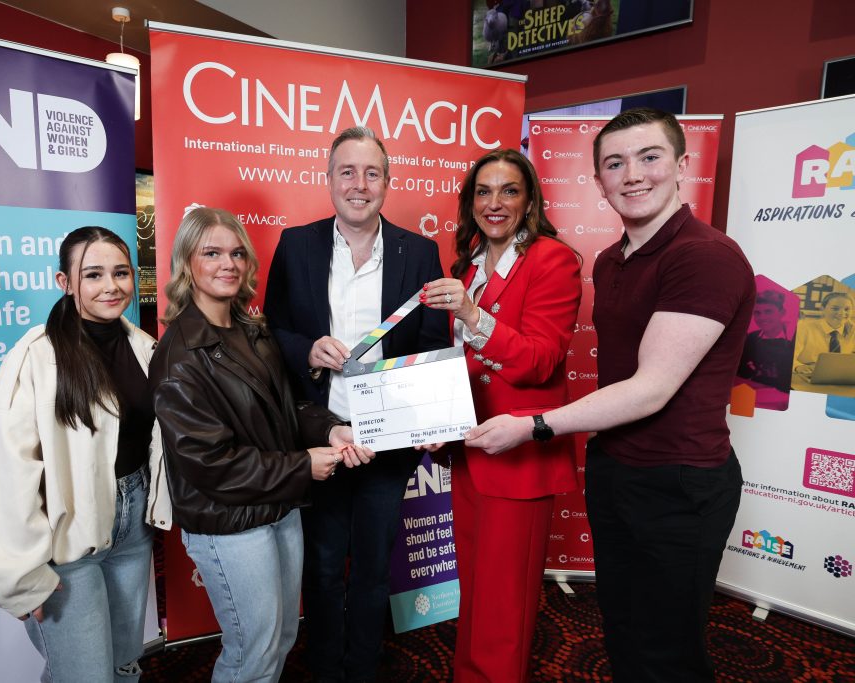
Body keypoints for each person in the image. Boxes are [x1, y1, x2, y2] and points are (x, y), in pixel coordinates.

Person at [465, 108, 756, 682]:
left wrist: (535, 424)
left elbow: (651, 389)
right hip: (617, 468)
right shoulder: (612, 259)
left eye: (649, 158)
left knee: (668, 650)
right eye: (614, 164)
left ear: (681, 165)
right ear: (598, 180)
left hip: (681, 481)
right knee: (623, 631)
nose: (632, 175)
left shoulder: (704, 256)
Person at [150, 207, 368, 683]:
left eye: (236, 253)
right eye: (212, 253)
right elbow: (211, 465)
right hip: (228, 523)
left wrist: (330, 429)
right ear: (187, 263)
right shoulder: (178, 356)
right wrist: (300, 467)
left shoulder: (254, 330)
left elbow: (288, 411)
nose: (228, 263)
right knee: (253, 652)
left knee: (281, 638)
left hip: (279, 509)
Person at [264, 126, 450, 682]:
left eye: (372, 173)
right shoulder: (297, 245)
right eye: (347, 171)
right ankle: (325, 668)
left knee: (372, 566)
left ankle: (363, 667)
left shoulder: (419, 252)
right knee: (321, 566)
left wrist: (431, 416)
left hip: (387, 439)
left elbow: (431, 342)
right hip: (320, 434)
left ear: (388, 183)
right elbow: (272, 329)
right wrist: (308, 349)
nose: (359, 184)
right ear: (328, 181)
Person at [0, 226, 172, 683]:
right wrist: (19, 576)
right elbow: (3, 470)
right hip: (68, 545)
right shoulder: (36, 357)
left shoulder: (146, 348)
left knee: (125, 665)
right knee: (85, 675)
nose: (111, 286)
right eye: (93, 275)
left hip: (132, 532)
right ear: (64, 282)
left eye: (121, 273)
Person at [421, 149, 581, 682]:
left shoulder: (552, 260)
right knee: (477, 590)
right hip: (469, 450)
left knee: (504, 604)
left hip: (518, 455)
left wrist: (470, 311)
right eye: (483, 192)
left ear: (530, 199)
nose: (495, 203)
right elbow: (460, 363)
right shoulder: (467, 265)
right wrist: (432, 421)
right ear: (470, 202)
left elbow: (540, 360)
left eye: (509, 190)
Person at [736, 289, 794, 392]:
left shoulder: (794, 338)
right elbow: (742, 371)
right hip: (757, 393)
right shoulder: (751, 338)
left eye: (768, 311)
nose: (762, 317)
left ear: (782, 313)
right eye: (757, 313)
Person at [792, 291, 854, 377]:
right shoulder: (804, 328)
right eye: (835, 308)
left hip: (840, 377)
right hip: (806, 375)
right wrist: (798, 366)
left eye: (847, 309)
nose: (841, 313)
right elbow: (788, 356)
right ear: (822, 309)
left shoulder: (853, 331)